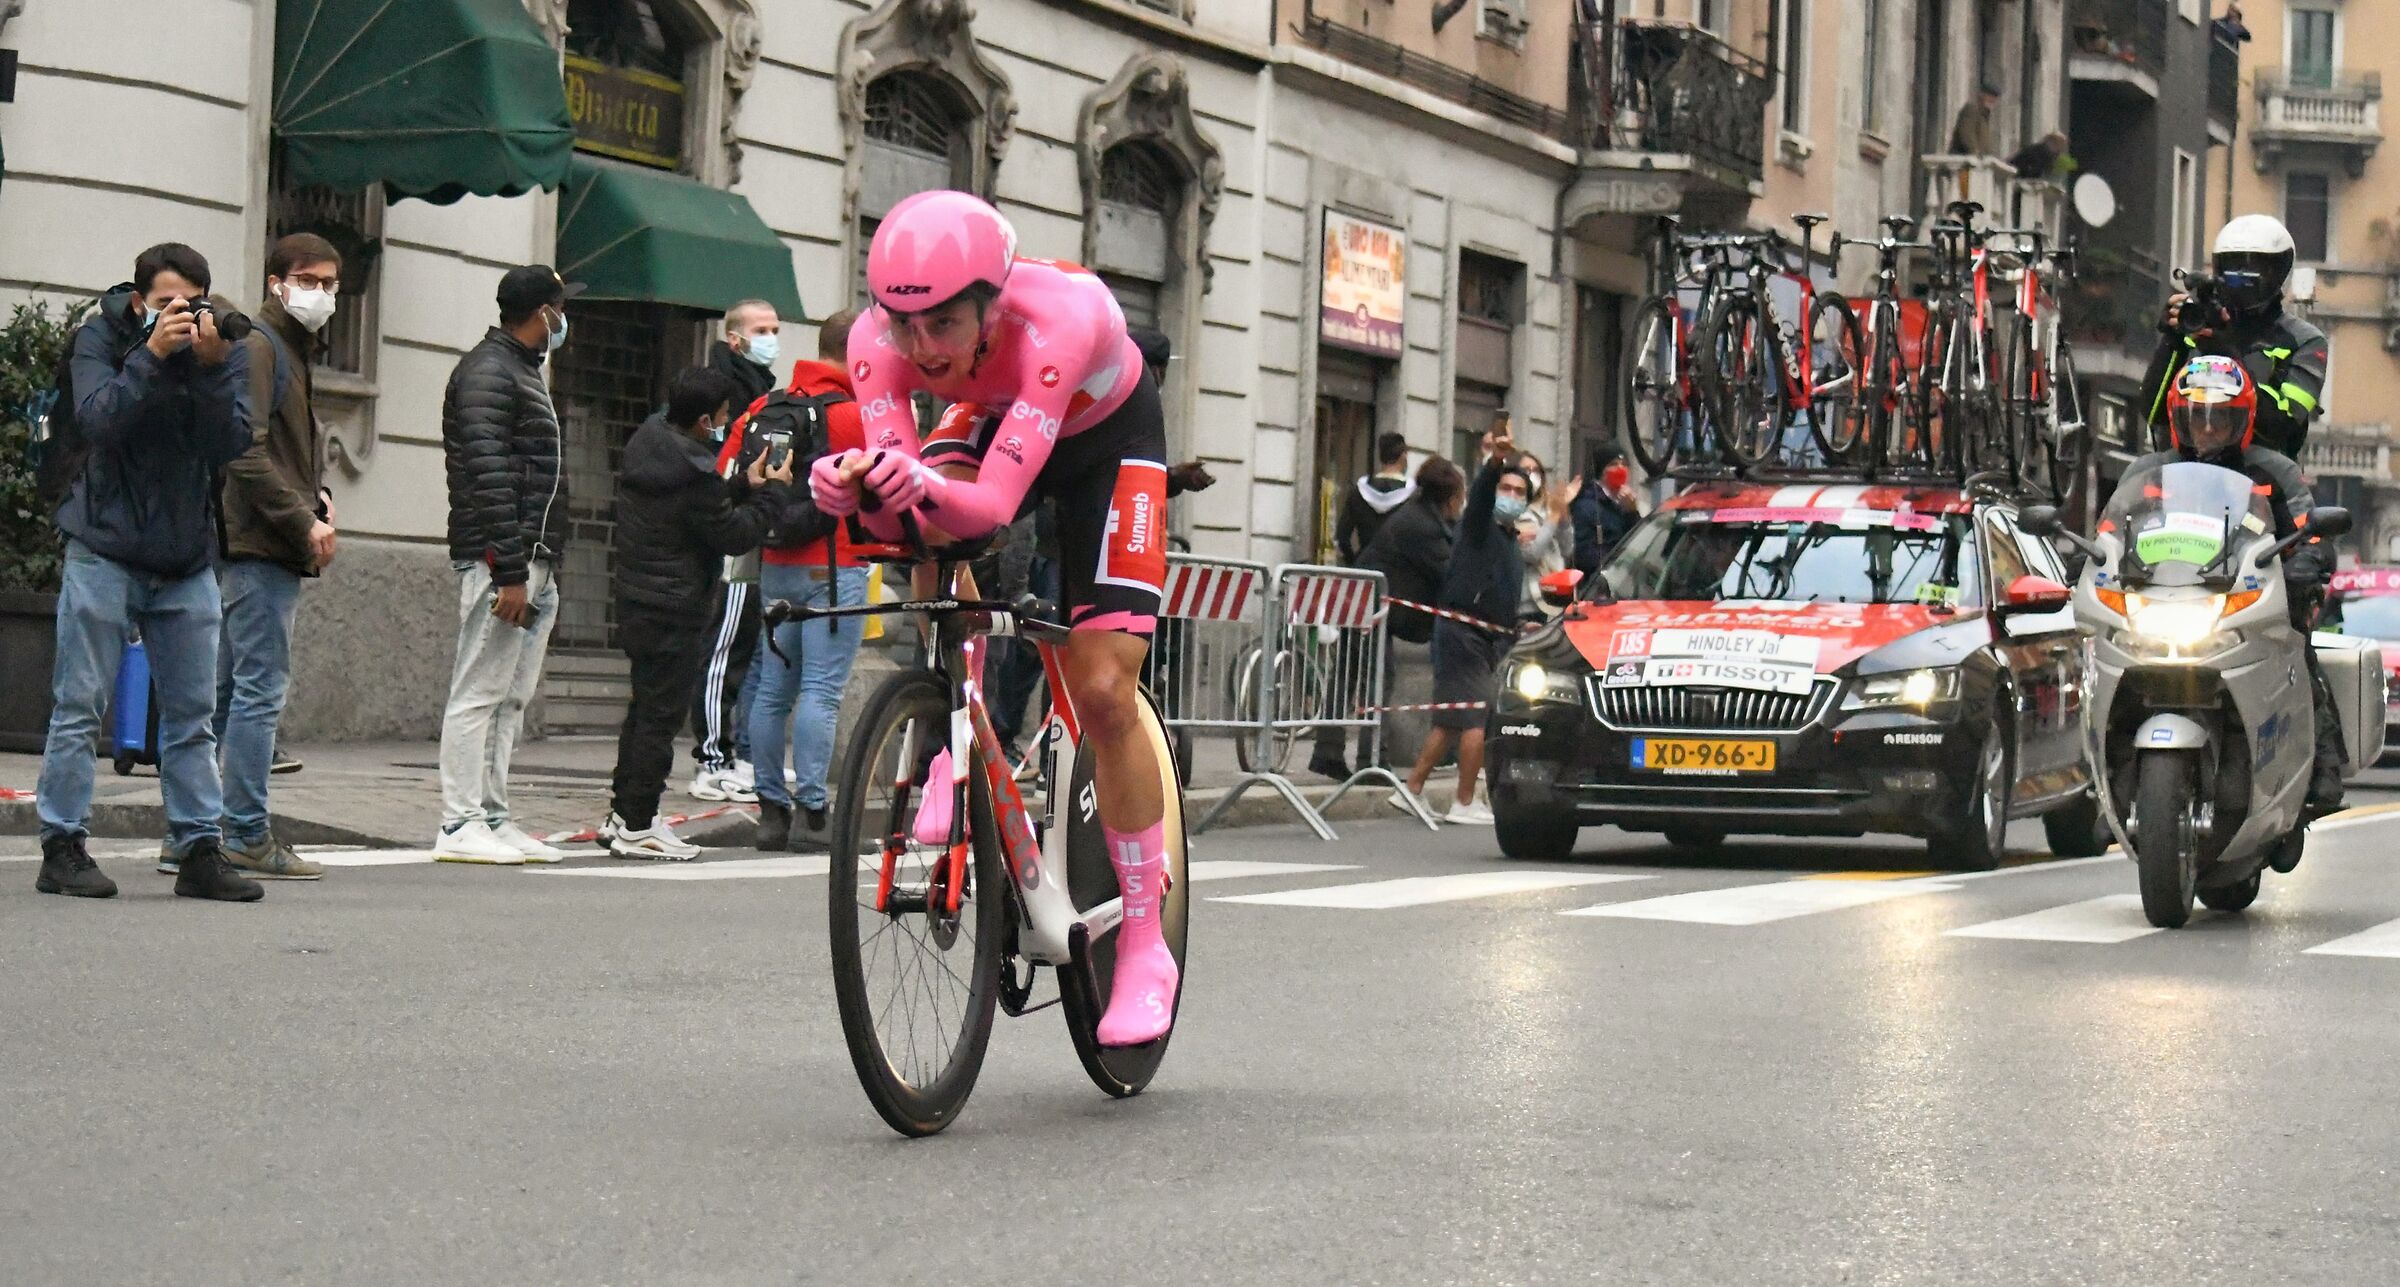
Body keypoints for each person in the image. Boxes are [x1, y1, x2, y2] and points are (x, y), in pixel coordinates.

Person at [811, 190, 1178, 1047]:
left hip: (1106, 436)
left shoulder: (1059, 320)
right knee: (919, 526)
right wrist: (850, 486)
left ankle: (1145, 943)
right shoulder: (879, 341)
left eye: (941, 325)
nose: (918, 349)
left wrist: (915, 489)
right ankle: (954, 735)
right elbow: (908, 501)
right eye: (901, 326)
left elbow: (991, 506)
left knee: (1103, 689)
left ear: (992, 301)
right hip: (995, 415)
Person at [34, 242, 261, 902]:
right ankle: (63, 844)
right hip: (104, 546)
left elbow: (231, 442)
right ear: (140, 302)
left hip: (185, 555)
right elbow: (99, 419)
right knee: (80, 705)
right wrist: (154, 355)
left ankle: (198, 850)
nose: (182, 316)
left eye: (191, 304)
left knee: (192, 715)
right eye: (167, 305)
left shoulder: (218, 351)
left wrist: (214, 370)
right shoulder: (99, 339)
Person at [2128, 354, 2342, 813]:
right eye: (2195, 417)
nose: (2206, 429)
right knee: (2109, 660)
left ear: (2242, 420)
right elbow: (2110, 532)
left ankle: (2323, 768)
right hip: (2165, 598)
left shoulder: (2273, 470)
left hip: (2245, 599)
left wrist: (2306, 561)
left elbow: (2312, 532)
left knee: (2298, 653)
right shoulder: (2148, 474)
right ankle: (2103, 777)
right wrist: (2084, 565)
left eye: (2219, 418)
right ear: (2176, 419)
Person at [603, 367, 792, 859]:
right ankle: (639, 824)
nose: (724, 428)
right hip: (676, 608)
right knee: (659, 721)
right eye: (723, 420)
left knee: (643, 712)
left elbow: (697, 511)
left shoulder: (651, 443)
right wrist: (772, 491)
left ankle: (623, 814)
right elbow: (732, 534)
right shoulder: (694, 472)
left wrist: (742, 487)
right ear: (705, 419)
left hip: (637, 599)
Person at [208, 232, 346, 882]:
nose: (321, 294)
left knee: (230, 692)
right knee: (256, 692)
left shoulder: (287, 348)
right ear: (275, 282)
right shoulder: (264, 347)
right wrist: (302, 522)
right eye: (308, 280)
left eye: (330, 283)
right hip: (260, 542)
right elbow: (245, 451)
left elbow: (283, 450)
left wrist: (317, 499)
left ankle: (200, 831)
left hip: (266, 538)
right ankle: (246, 832)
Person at [431, 265, 578, 865]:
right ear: (542, 312)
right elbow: (488, 476)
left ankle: (491, 815)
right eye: (560, 308)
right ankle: (459, 822)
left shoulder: (516, 371)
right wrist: (509, 571)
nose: (564, 320)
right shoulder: (490, 372)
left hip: (529, 561)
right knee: (478, 693)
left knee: (509, 698)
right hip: (504, 563)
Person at [742, 307, 869, 851]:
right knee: (820, 689)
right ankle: (813, 811)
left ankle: (770, 809)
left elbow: (732, 471)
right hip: (834, 566)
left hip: (776, 565)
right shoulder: (852, 415)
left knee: (772, 690)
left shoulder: (764, 406)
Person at [1399, 432, 1529, 825]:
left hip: (1484, 635)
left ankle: (1411, 790)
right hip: (1462, 634)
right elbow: (1483, 494)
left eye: (1518, 490)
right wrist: (1493, 467)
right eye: (1505, 487)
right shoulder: (1479, 525)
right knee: (1474, 718)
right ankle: (1464, 800)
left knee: (1450, 720)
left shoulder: (1509, 541)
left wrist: (1516, 624)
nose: (1509, 494)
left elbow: (1499, 594)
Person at [686, 299, 785, 802]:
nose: (771, 337)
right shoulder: (726, 391)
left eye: (774, 328)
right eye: (760, 329)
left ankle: (738, 755)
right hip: (729, 538)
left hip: (743, 531)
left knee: (745, 647)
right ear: (735, 338)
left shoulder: (759, 390)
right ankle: (711, 758)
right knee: (723, 649)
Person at [2141, 214, 2329, 460]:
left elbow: (2281, 425)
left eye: (2252, 271)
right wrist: (2172, 340)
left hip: (2266, 481)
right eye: (2231, 270)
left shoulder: (2305, 340)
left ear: (2280, 271)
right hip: (2187, 478)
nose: (2239, 280)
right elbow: (2154, 413)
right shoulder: (2198, 328)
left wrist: (2226, 354)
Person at [1335, 432, 1416, 565]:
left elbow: (1342, 538)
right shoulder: (1413, 496)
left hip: (1366, 567)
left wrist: (1353, 562)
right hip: (1398, 571)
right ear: (1403, 456)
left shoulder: (1358, 492)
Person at [1570, 446, 1642, 576]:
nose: (1620, 469)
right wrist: (1619, 560)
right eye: (1614, 464)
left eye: (1624, 464)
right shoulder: (1586, 505)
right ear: (1602, 471)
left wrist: (1632, 512)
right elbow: (1583, 555)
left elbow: (1639, 541)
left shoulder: (1625, 502)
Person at [1949, 86, 2000, 157]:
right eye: (1989, 96)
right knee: (1964, 169)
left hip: (1977, 162)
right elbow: (1966, 133)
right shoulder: (1971, 109)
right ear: (1981, 95)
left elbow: (1984, 142)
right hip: (1965, 159)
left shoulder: (1984, 116)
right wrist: (1975, 152)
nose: (1992, 100)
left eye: (1994, 98)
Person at [2007, 131, 2072, 182]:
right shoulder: (2036, 151)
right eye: (2056, 143)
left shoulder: (2051, 156)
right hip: (2017, 177)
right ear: (2049, 141)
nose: (2059, 148)